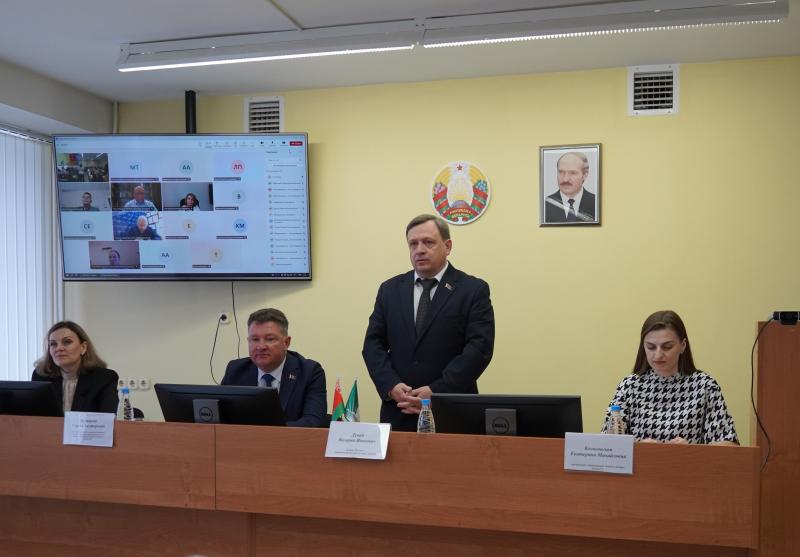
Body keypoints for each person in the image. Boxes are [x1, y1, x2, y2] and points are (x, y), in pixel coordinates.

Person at [363, 214, 495, 431]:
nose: (420, 250)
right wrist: (391, 385)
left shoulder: (472, 290)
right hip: (400, 410)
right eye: (413, 244)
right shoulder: (390, 290)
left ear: (448, 246)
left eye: (428, 242)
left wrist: (437, 391)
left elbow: (479, 349)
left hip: (452, 412)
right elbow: (373, 344)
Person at [602, 310, 739, 445]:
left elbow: (730, 445)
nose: (658, 355)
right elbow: (607, 445)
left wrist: (691, 451)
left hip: (689, 460)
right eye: (651, 347)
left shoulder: (705, 386)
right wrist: (639, 448)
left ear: (682, 346)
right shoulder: (629, 386)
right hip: (642, 461)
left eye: (667, 347)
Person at [221, 308, 327, 427]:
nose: (261, 346)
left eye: (270, 339)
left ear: (286, 342)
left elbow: (312, 422)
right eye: (255, 339)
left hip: (289, 439)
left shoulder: (309, 372)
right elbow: (219, 417)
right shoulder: (236, 370)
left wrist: (265, 434)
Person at [31, 321, 119, 414]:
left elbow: (107, 417)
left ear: (83, 347)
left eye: (67, 342)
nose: (58, 348)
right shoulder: (41, 376)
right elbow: (34, 415)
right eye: (53, 344)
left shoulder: (104, 378)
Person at [544, 152, 596, 223]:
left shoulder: (596, 203)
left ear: (585, 175)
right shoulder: (545, 204)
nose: (565, 179)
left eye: (572, 173)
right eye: (561, 172)